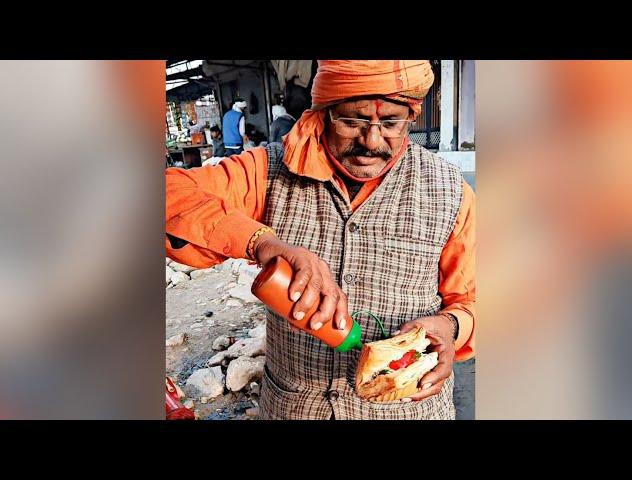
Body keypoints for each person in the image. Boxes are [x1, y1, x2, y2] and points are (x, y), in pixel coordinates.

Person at [166, 60, 476, 420]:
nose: (372, 141)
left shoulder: (450, 190)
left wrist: (452, 327)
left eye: (390, 123)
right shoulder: (269, 171)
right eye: (352, 120)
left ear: (411, 116)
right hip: (294, 408)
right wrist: (262, 243)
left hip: (410, 410)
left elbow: (476, 298)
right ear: (324, 113)